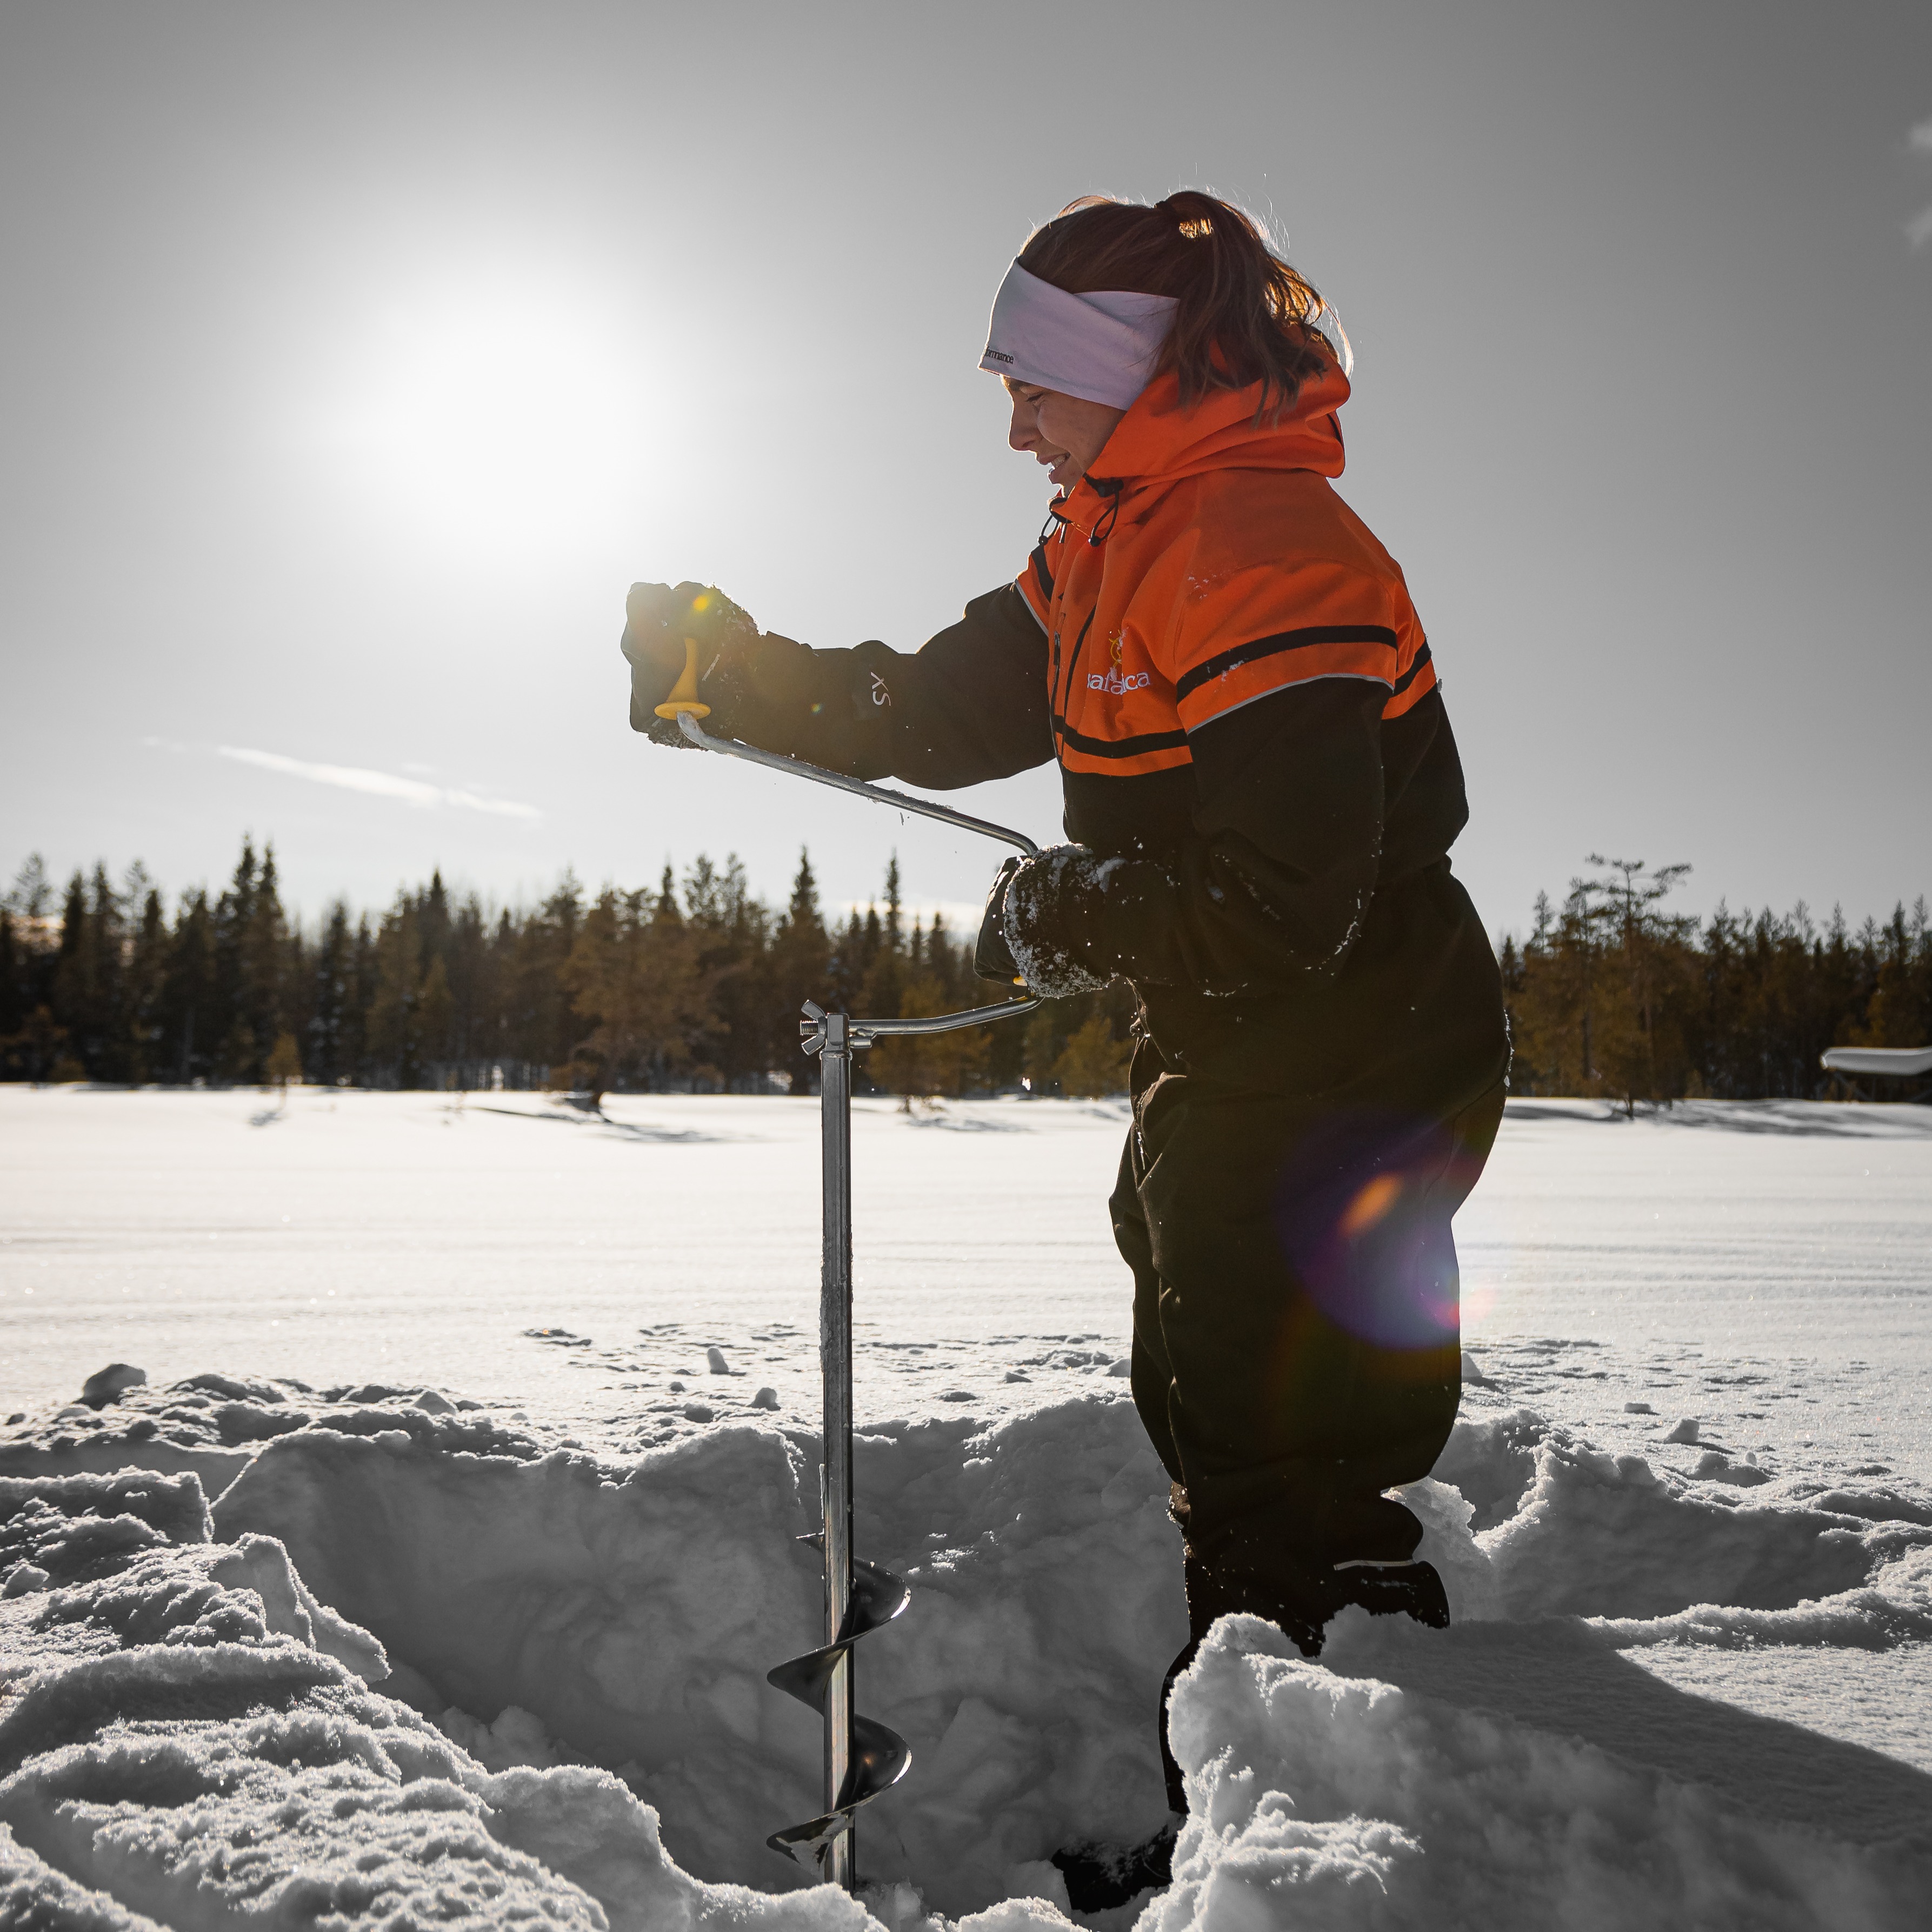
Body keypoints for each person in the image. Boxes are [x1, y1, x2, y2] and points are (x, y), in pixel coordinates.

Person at [621, 190, 1509, 1824]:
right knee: (1209, 1391)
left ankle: (1346, 1840)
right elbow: (937, 704)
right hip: (1237, 1036)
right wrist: (737, 672)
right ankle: (1251, 1815)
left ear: (1131, 370)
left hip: (1351, 1046)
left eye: (1033, 383)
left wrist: (1072, 909)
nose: (1016, 423)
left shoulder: (1262, 548)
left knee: (1287, 1452)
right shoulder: (1111, 535)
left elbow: (1286, 905)